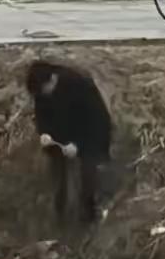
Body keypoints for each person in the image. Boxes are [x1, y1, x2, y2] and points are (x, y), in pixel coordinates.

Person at [24, 60, 113, 225]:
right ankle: (61, 217)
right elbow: (42, 116)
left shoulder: (78, 85)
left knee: (88, 175)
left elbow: (94, 120)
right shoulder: (42, 91)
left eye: (44, 90)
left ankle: (90, 216)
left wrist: (78, 144)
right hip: (61, 138)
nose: (43, 95)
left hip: (90, 135)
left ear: (52, 80)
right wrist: (44, 133)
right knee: (58, 177)